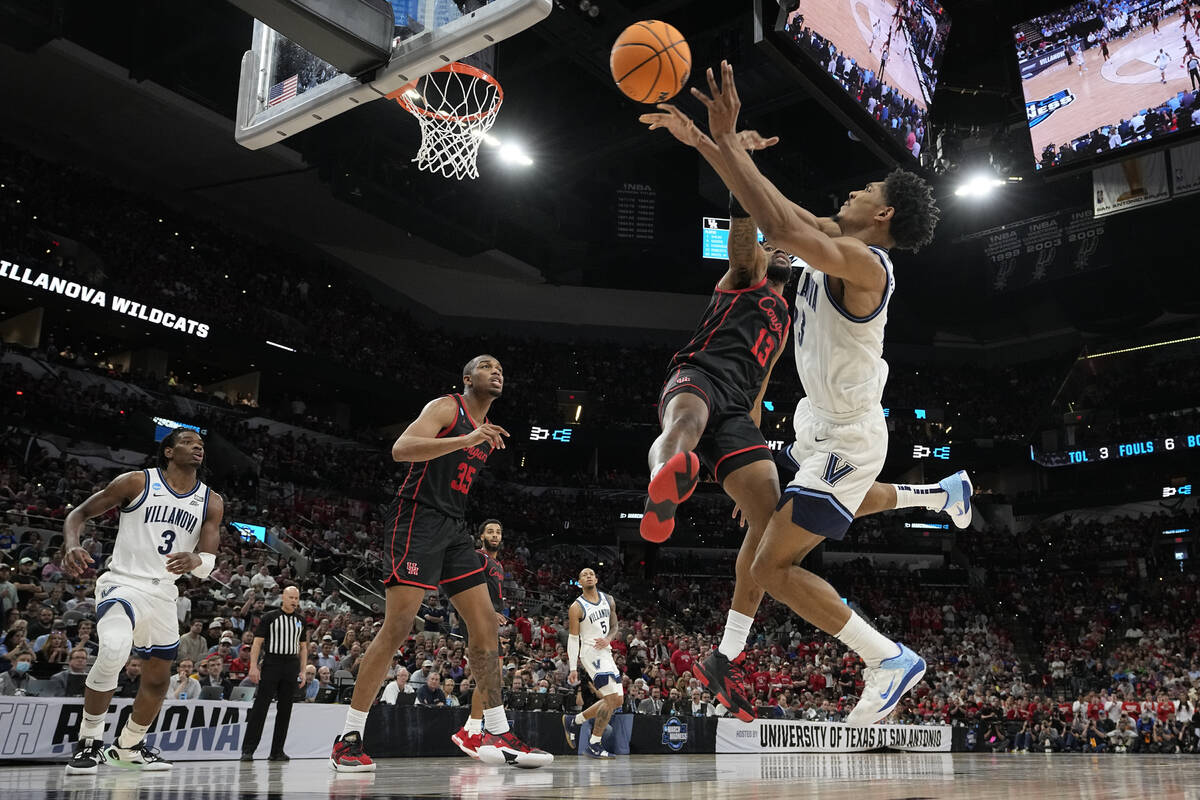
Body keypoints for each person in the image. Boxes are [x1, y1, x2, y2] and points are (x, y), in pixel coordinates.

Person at [640, 66, 968, 724]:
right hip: (815, 428)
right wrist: (708, 143)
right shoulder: (834, 238)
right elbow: (777, 216)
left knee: (773, 569)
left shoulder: (868, 265)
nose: (850, 190)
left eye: (864, 189)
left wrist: (728, 142)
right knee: (765, 529)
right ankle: (938, 494)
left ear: (883, 214)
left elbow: (782, 234)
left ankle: (887, 657)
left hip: (849, 437)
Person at [329, 357, 551, 771]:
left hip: (453, 527)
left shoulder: (488, 430)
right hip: (417, 518)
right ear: (468, 379)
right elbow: (402, 449)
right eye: (487, 366)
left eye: (501, 367)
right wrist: (465, 440)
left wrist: (476, 440)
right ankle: (348, 738)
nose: (497, 371)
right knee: (397, 626)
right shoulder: (447, 408)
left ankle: (496, 729)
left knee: (486, 624)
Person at [60, 428, 222, 773]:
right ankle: (88, 741)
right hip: (124, 582)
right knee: (115, 648)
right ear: (168, 451)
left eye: (201, 445)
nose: (198, 447)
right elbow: (78, 514)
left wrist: (196, 561)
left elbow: (208, 562)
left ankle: (129, 746)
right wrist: (72, 543)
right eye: (188, 442)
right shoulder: (136, 482)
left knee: (158, 679)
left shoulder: (211, 500)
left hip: (164, 593)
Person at [452, 518, 510, 758]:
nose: (495, 535)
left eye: (498, 531)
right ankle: (472, 731)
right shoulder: (477, 557)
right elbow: (468, 588)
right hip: (476, 617)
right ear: (481, 536)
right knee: (489, 674)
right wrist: (489, 611)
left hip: (488, 620)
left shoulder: (499, 565)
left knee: (493, 676)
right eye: (490, 531)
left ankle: (471, 728)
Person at [562, 568, 623, 759]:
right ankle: (594, 744)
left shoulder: (609, 600)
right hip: (590, 652)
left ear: (596, 578)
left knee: (617, 701)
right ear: (580, 583)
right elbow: (573, 639)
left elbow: (614, 626)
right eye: (583, 575)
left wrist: (609, 639)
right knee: (612, 698)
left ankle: (574, 721)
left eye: (591, 573)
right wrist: (573, 667)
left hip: (605, 651)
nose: (588, 576)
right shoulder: (576, 607)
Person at [242, 585, 307, 762]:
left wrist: (303, 670)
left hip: (291, 665)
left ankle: (277, 751)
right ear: (283, 598)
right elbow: (256, 644)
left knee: (285, 709)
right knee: (260, 708)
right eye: (291, 597)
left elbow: (303, 647)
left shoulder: (301, 620)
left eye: (296, 598)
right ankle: (248, 750)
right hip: (272, 662)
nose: (294, 601)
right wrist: (253, 667)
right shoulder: (269, 617)